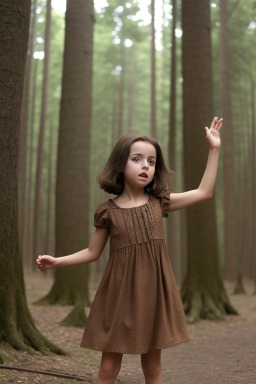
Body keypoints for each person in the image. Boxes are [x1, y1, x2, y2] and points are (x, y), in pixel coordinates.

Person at [37, 116, 223, 384]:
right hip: (118, 296)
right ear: (120, 164)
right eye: (137, 159)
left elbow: (204, 192)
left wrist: (214, 149)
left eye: (151, 161)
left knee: (153, 371)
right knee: (107, 371)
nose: (145, 166)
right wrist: (57, 262)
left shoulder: (160, 202)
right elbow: (92, 252)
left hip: (155, 295)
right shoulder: (107, 211)